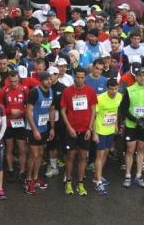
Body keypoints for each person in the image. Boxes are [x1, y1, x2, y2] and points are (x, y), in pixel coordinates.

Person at [60, 67, 97, 196]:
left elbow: (93, 110)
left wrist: (90, 128)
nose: (80, 80)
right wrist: (69, 127)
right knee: (70, 157)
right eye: (78, 77)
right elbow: (63, 111)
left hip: (85, 130)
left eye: (82, 77)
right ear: (74, 77)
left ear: (85, 78)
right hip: (72, 131)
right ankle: (69, 182)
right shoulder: (67, 91)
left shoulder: (90, 91)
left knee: (82, 158)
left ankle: (80, 184)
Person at [119, 67, 144, 188]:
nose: (141, 78)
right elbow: (123, 109)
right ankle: (128, 175)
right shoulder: (129, 90)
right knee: (130, 149)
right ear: (136, 77)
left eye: (143, 75)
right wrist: (135, 119)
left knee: (141, 149)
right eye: (139, 75)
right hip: (131, 124)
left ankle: (139, 175)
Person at [25, 71, 56, 194]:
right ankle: (28, 180)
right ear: (41, 80)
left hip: (44, 127)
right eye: (46, 79)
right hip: (33, 127)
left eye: (50, 79)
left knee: (41, 153)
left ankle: (35, 177)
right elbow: (28, 112)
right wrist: (34, 130)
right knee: (34, 154)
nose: (49, 81)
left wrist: (52, 127)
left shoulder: (51, 92)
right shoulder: (34, 92)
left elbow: (52, 110)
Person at [0, 71, 29, 183]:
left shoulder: (24, 90)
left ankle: (22, 171)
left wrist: (22, 112)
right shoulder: (3, 91)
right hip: (8, 124)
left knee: (22, 148)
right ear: (8, 80)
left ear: (19, 79)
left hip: (20, 123)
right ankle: (10, 169)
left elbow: (28, 106)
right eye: (11, 82)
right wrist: (10, 110)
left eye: (16, 81)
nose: (14, 83)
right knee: (9, 147)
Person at [92, 78, 122, 195]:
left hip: (110, 130)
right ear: (107, 88)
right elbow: (94, 117)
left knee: (105, 154)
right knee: (99, 156)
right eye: (111, 89)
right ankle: (98, 182)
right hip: (100, 131)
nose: (113, 91)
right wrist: (94, 133)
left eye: (115, 89)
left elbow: (115, 111)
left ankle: (97, 176)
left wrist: (115, 125)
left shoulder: (119, 96)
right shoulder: (100, 99)